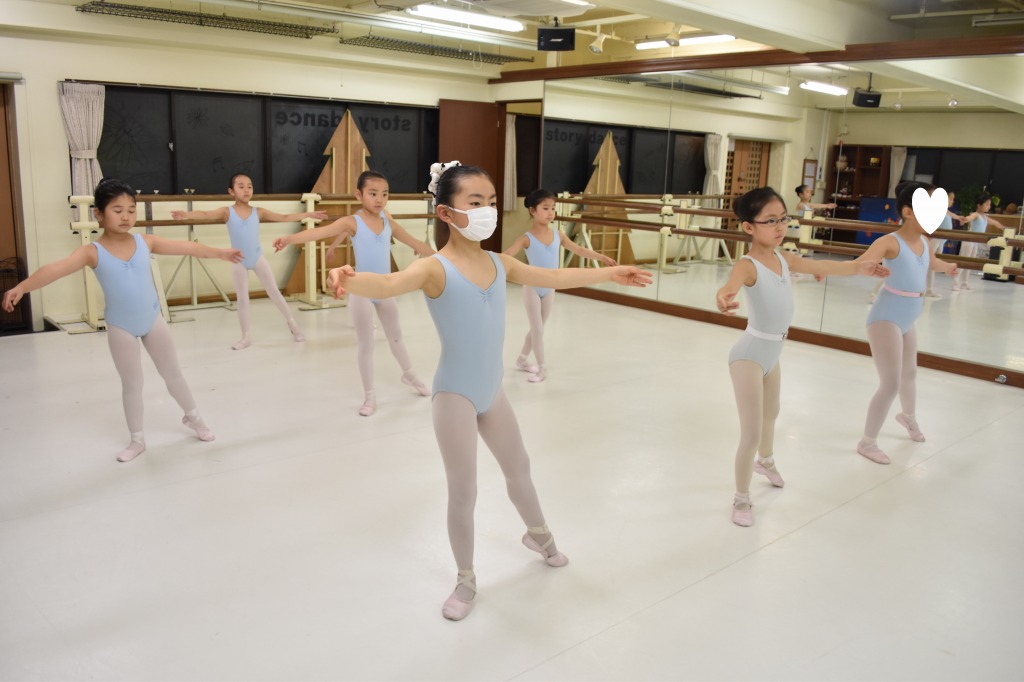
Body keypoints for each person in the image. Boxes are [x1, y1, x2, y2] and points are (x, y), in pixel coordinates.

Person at [325, 162, 651, 621]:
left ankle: (538, 534)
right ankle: (465, 579)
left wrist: (609, 274)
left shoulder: (501, 263)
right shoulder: (433, 268)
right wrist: (347, 276)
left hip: (492, 391)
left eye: (492, 202)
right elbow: (389, 283)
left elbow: (554, 278)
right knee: (465, 491)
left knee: (520, 467)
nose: (488, 211)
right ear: (445, 213)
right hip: (455, 396)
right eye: (475, 203)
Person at [2, 178, 243, 462]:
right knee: (132, 383)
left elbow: (187, 247)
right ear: (99, 214)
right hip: (121, 327)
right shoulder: (92, 252)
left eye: (131, 210)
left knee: (173, 373)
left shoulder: (145, 242)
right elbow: (55, 269)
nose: (126, 216)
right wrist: (22, 287)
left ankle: (194, 418)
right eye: (117, 210)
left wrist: (221, 253)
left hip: (152, 320)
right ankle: (137, 439)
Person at [716, 187, 889, 527]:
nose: (780, 226)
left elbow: (821, 264)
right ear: (749, 227)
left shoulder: (784, 258)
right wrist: (723, 297)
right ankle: (741, 498)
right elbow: (730, 285)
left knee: (772, 415)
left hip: (773, 354)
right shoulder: (748, 265)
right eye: (770, 221)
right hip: (749, 356)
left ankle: (766, 461)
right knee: (751, 431)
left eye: (783, 219)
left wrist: (861, 267)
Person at [273, 170, 435, 416]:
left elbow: (417, 243)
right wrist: (289, 238)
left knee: (396, 337)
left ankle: (410, 375)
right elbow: (318, 233)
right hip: (361, 290)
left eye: (384, 194)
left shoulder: (389, 223)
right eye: (373, 194)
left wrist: (449, 261)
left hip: (385, 289)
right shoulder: (352, 222)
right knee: (366, 344)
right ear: (359, 195)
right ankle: (369, 395)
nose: (379, 199)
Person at [856, 182, 959, 465]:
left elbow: (930, 263)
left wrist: (948, 267)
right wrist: (831, 270)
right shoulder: (890, 242)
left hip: (908, 317)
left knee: (909, 373)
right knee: (890, 383)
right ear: (908, 212)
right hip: (885, 318)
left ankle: (907, 416)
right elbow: (861, 263)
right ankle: (867, 442)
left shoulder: (924, 242)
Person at [171, 173, 328, 350]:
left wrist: (308, 214)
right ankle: (245, 336)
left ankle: (293, 324)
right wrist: (185, 214)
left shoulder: (258, 212)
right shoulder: (227, 212)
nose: (246, 190)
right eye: (241, 186)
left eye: (249, 186)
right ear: (231, 191)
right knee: (242, 299)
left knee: (274, 292)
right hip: (238, 259)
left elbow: (284, 217)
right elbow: (206, 214)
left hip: (257, 257)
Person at [503, 189, 617, 383]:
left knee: (538, 328)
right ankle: (542, 368)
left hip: (550, 289)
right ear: (532, 210)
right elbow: (506, 256)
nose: (550, 213)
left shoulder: (559, 235)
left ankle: (522, 359)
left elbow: (579, 250)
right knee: (537, 329)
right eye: (545, 208)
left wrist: (602, 257)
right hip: (532, 287)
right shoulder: (526, 238)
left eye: (553, 208)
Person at [953, 193, 1006, 292]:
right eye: (986, 204)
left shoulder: (985, 217)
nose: (989, 206)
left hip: (975, 242)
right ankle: (956, 282)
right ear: (979, 205)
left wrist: (1004, 228)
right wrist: (965, 219)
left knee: (970, 263)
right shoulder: (976, 215)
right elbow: (970, 217)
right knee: (963, 262)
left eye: (989, 204)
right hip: (969, 240)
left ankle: (964, 282)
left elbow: (995, 223)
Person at [924, 190, 967, 298]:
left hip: (941, 241)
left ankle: (930, 288)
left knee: (934, 264)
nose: (952, 201)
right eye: (950, 199)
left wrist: (960, 218)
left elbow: (953, 215)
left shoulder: (945, 211)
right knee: (931, 264)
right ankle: (928, 289)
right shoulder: (937, 210)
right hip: (935, 239)